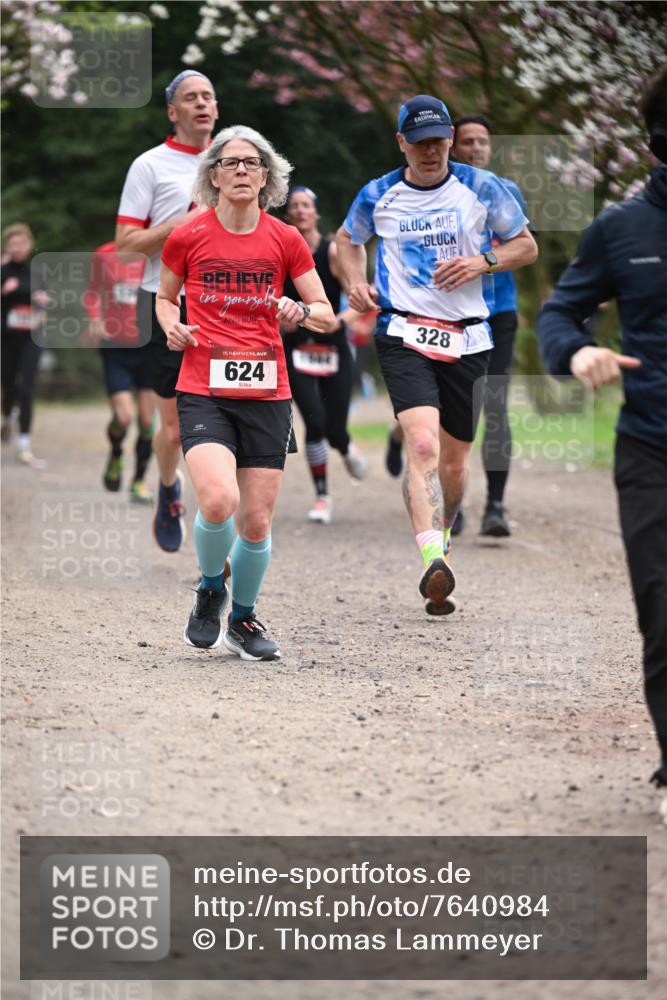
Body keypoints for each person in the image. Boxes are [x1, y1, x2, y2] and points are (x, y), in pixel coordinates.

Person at [337, 95, 537, 615]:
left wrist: (482, 262)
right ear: (401, 142)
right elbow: (346, 239)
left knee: (453, 460)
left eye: (438, 142)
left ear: (450, 140)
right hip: (403, 331)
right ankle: (432, 560)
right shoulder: (378, 194)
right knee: (423, 443)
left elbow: (526, 245)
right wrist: (355, 281)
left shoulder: (481, 187)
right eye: (419, 142)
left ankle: (442, 536)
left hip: (469, 337)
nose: (430, 152)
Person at [156, 125, 334, 660]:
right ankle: (212, 588)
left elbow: (325, 312)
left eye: (250, 163)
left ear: (265, 177)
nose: (239, 170)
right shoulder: (188, 235)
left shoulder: (285, 239)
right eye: (229, 163)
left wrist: (299, 310)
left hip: (267, 391)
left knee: (256, 522)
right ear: (213, 175)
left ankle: (243, 619)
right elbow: (164, 298)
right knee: (218, 500)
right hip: (203, 387)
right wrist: (171, 324)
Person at [537, 66, 667, 789]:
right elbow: (560, 312)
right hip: (652, 446)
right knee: (662, 610)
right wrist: (577, 350)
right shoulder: (621, 229)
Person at [383, 114, 527, 539]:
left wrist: (482, 262)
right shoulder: (422, 191)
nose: (476, 149)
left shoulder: (502, 191)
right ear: (451, 145)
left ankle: (495, 505)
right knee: (434, 410)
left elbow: (522, 246)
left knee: (494, 405)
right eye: (468, 141)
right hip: (432, 316)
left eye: (483, 141)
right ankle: (436, 482)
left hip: (494, 316)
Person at [115, 70, 218, 550]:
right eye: (191, 97)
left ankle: (220, 514)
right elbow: (125, 244)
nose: (202, 103)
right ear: (173, 112)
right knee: (173, 430)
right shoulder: (149, 165)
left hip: (227, 305)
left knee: (228, 417)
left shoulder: (236, 159)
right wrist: (180, 225)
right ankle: (168, 486)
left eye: (208, 96)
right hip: (167, 303)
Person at [282, 185, 367, 524]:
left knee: (335, 429)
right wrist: (282, 322)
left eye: (306, 205)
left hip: (333, 348)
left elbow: (359, 300)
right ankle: (322, 496)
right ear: (288, 214)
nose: (300, 210)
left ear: (316, 213)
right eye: (294, 206)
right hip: (297, 349)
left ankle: (344, 446)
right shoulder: (281, 252)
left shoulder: (330, 252)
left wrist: (338, 321)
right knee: (314, 421)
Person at [84, 241, 155, 502]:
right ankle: (116, 453)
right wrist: (95, 319)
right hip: (115, 345)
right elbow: (92, 293)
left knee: (147, 421)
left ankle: (139, 481)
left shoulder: (156, 254)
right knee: (124, 417)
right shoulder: (104, 254)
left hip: (149, 346)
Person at [1, 223, 48, 467]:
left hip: (31, 338)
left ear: (29, 245)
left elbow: (43, 306)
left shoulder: (37, 273)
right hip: (6, 338)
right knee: (8, 384)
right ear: (7, 246)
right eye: (13, 243)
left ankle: (24, 444)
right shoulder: (2, 271)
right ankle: (7, 416)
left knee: (27, 387)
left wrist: (41, 307)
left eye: (21, 243)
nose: (17, 247)